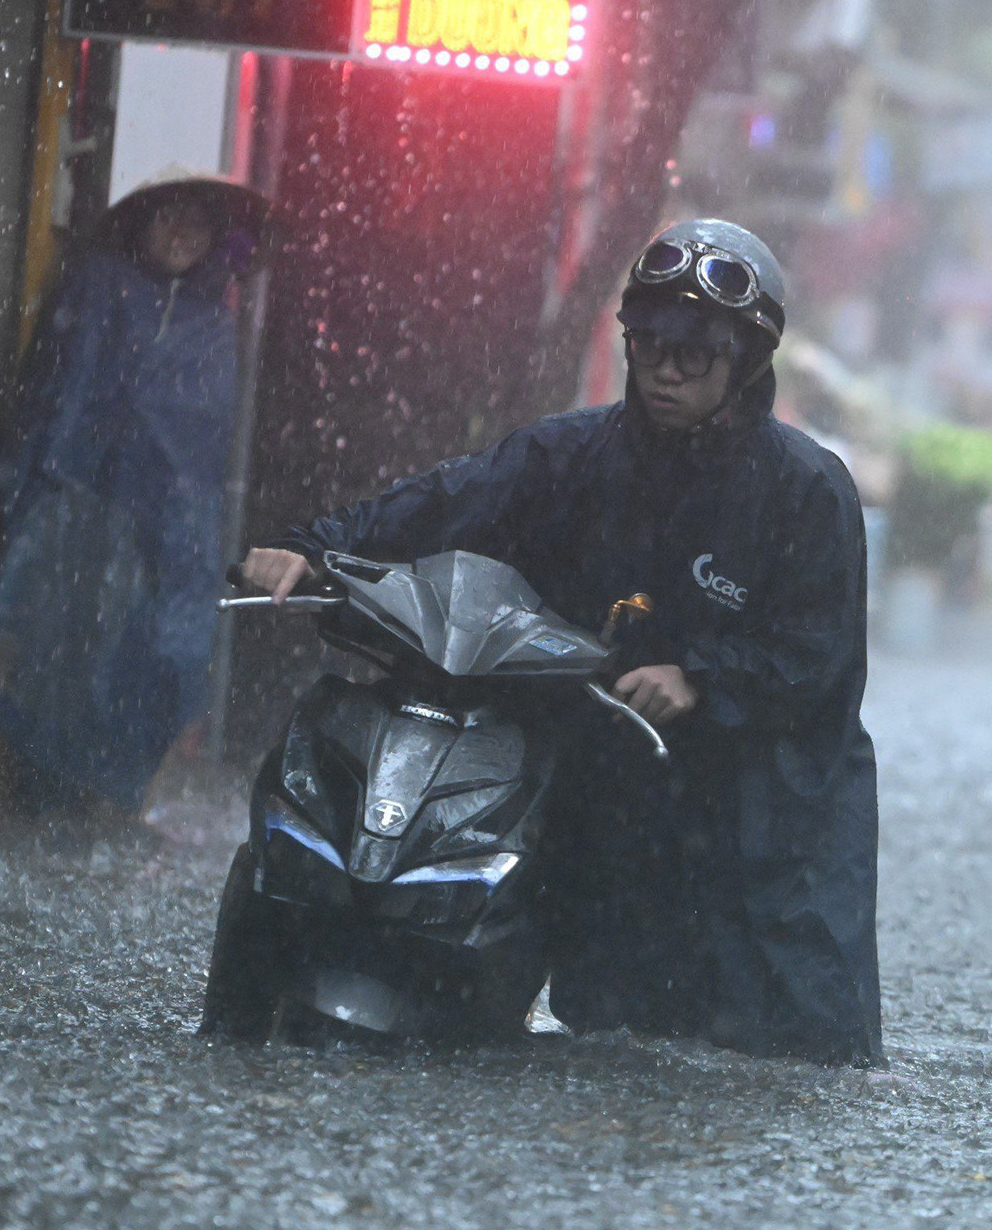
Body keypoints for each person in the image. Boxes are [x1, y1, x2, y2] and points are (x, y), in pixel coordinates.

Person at [239, 219, 884, 1069]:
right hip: (622, 803)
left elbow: (817, 656)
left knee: (787, 1060)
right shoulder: (569, 455)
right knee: (614, 1044)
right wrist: (315, 548)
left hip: (769, 827)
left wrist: (700, 676)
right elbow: (443, 502)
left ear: (749, 361)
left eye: (696, 353)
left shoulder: (808, 489)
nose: (668, 368)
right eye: (651, 345)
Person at [0, 173, 266, 819]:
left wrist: (184, 529)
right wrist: (40, 485)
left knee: (146, 666)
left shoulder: (213, 320)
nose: (183, 235)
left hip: (169, 530)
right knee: (58, 663)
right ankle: (39, 806)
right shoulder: (101, 285)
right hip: (87, 509)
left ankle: (106, 803)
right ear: (142, 223)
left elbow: (207, 439)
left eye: (198, 225)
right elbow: (60, 394)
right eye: (169, 219)